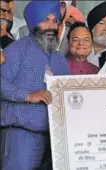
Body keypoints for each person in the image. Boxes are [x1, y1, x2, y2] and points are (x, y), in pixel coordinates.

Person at [0, 1, 70, 169]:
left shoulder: (59, 59)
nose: (51, 26)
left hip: (55, 142)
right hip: (21, 137)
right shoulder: (17, 50)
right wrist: (27, 95)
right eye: (46, 19)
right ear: (33, 22)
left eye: (55, 21)